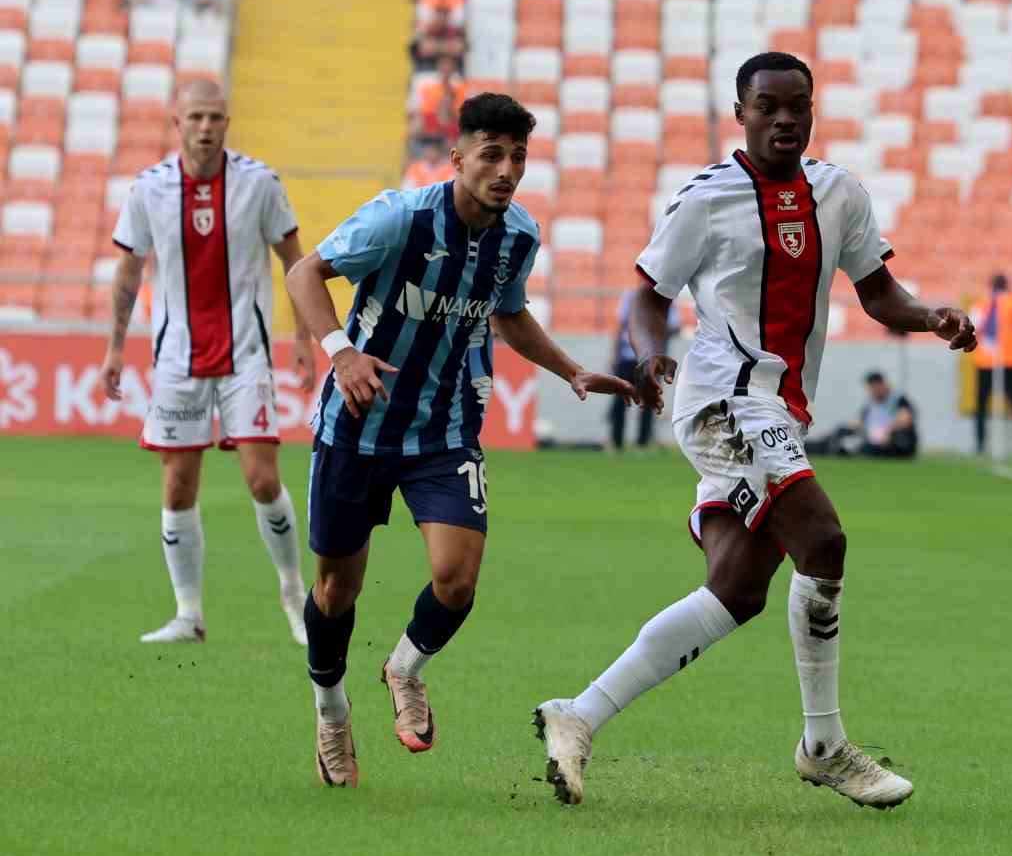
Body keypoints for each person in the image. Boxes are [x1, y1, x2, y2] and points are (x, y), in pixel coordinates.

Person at [533, 51, 977, 810]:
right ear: (739, 114)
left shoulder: (839, 194)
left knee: (737, 590)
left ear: (811, 110)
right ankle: (825, 744)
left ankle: (577, 715)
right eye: (767, 105)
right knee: (825, 541)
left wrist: (931, 315)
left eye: (796, 105)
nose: (783, 118)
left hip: (780, 413)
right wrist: (650, 355)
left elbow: (878, 293)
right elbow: (644, 295)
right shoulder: (707, 199)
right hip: (720, 399)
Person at [283, 93, 636, 788]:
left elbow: (508, 314)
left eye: (518, 158)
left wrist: (569, 369)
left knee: (457, 577)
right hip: (358, 423)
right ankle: (330, 713)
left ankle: (403, 670)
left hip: (445, 429)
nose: (506, 171)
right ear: (459, 157)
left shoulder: (518, 237)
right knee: (335, 590)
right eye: (492, 155)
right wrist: (341, 352)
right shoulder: (400, 218)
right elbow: (303, 272)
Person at [97, 81, 317, 646]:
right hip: (176, 360)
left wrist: (303, 338)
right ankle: (188, 613)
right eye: (195, 116)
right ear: (177, 123)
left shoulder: (259, 183)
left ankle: (295, 594)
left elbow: (296, 260)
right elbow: (128, 271)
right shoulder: (148, 189)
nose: (205, 127)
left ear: (226, 122)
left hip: (246, 354)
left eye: (215, 117)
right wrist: (116, 346)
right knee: (176, 488)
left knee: (263, 478)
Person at [608, 288, 678, 452]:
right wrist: (614, 355)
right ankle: (616, 442)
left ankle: (642, 442)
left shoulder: (667, 300)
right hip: (627, 357)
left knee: (650, 400)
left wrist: (658, 325)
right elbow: (619, 326)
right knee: (621, 400)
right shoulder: (630, 296)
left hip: (653, 360)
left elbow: (675, 326)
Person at [971, 273, 1012, 455]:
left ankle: (980, 444)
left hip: (986, 361)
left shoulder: (981, 303)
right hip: (1009, 360)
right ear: (1007, 285)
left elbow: (973, 325)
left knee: (981, 405)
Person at [816, 371, 918, 459]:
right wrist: (835, 431)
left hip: (894, 442)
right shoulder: (870, 404)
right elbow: (858, 423)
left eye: (874, 387)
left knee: (873, 446)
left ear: (882, 385)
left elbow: (905, 420)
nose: (873, 391)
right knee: (842, 432)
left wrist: (888, 431)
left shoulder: (898, 399)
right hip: (874, 441)